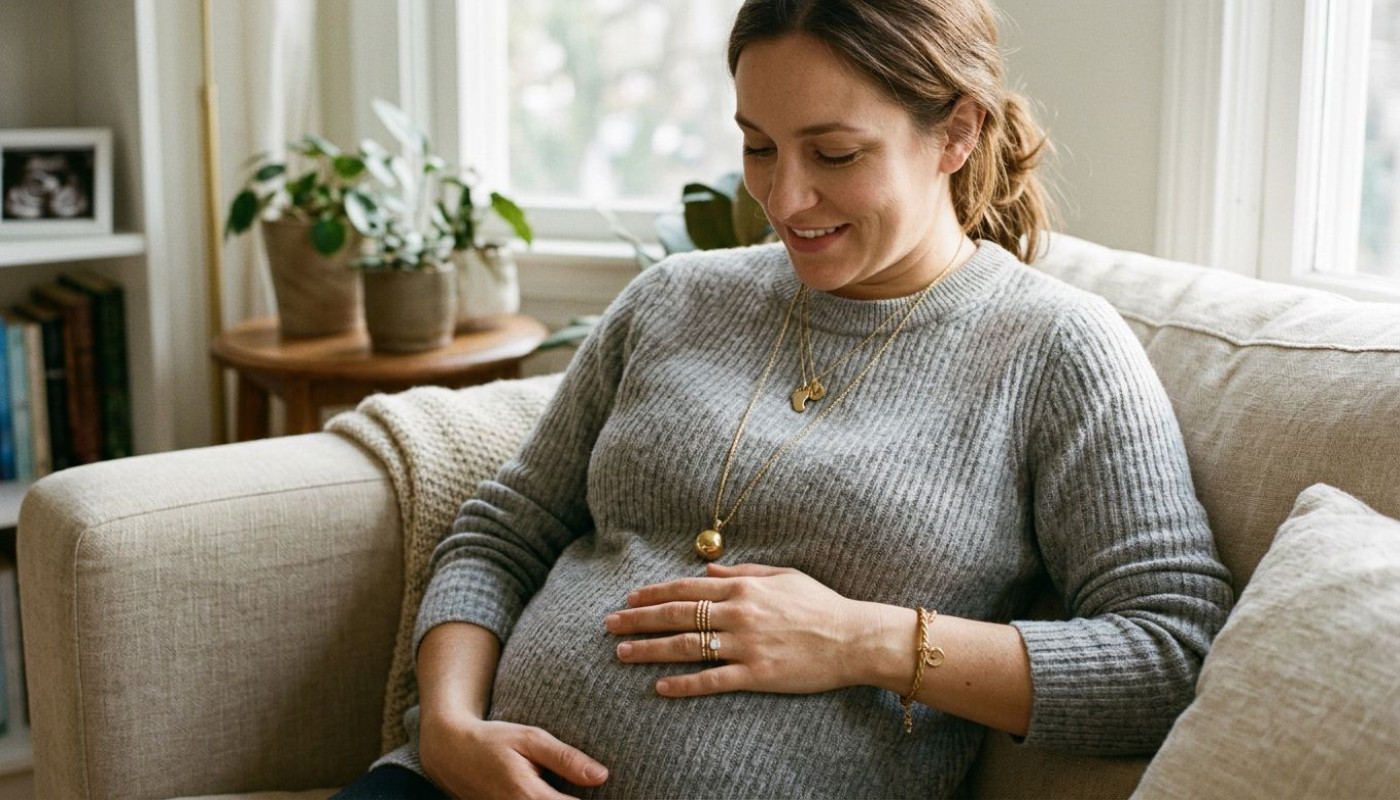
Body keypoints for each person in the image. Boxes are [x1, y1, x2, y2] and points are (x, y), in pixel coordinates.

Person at [334, 0, 1234, 797]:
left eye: (835, 153)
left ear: (957, 132)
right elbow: (503, 533)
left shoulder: (1054, 350)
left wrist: (861, 640)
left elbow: (1173, 656)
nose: (784, 197)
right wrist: (449, 729)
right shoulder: (674, 298)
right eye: (758, 146)